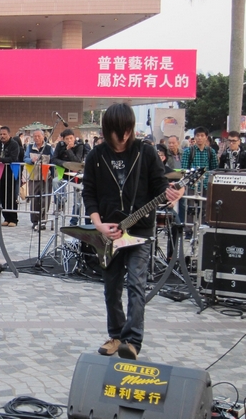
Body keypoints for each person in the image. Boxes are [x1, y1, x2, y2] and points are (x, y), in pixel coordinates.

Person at [82, 103, 184, 360]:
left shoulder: (145, 152)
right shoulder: (96, 156)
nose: (124, 136)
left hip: (140, 231)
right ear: (107, 129)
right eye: (118, 131)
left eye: (127, 130)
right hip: (109, 232)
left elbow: (160, 186)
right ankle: (116, 335)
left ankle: (132, 341)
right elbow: (89, 194)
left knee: (137, 285)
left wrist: (174, 192)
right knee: (111, 288)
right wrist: (98, 224)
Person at [180, 126, 218, 237]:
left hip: (206, 185)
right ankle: (189, 230)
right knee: (190, 208)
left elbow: (214, 168)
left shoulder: (211, 152)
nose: (200, 138)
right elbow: (184, 169)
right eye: (197, 135)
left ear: (206, 137)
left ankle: (202, 230)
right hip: (192, 185)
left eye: (202, 135)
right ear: (194, 137)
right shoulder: (189, 151)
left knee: (205, 208)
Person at [52, 128, 86, 226]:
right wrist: (64, 164)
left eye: (71, 138)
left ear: (74, 137)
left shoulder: (79, 145)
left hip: (76, 175)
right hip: (63, 173)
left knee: (77, 199)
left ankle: (74, 221)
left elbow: (77, 161)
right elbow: (54, 159)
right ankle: (61, 201)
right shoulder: (60, 145)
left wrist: (69, 150)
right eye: (67, 139)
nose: (69, 140)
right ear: (63, 139)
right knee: (55, 181)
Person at [23, 129, 52, 230]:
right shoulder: (30, 147)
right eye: (35, 136)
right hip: (34, 177)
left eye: (39, 136)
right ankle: (35, 221)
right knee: (34, 199)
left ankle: (43, 221)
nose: (37, 138)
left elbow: (53, 160)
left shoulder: (48, 147)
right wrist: (31, 160)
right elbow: (25, 158)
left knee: (45, 200)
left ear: (43, 137)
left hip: (46, 178)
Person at [0, 126, 20, 227]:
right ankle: (6, 218)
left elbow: (13, 158)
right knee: (2, 196)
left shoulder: (14, 144)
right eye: (1, 134)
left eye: (4, 134)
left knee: (11, 196)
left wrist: (0, 159)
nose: (2, 136)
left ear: (9, 134)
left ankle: (13, 219)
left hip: (11, 172)